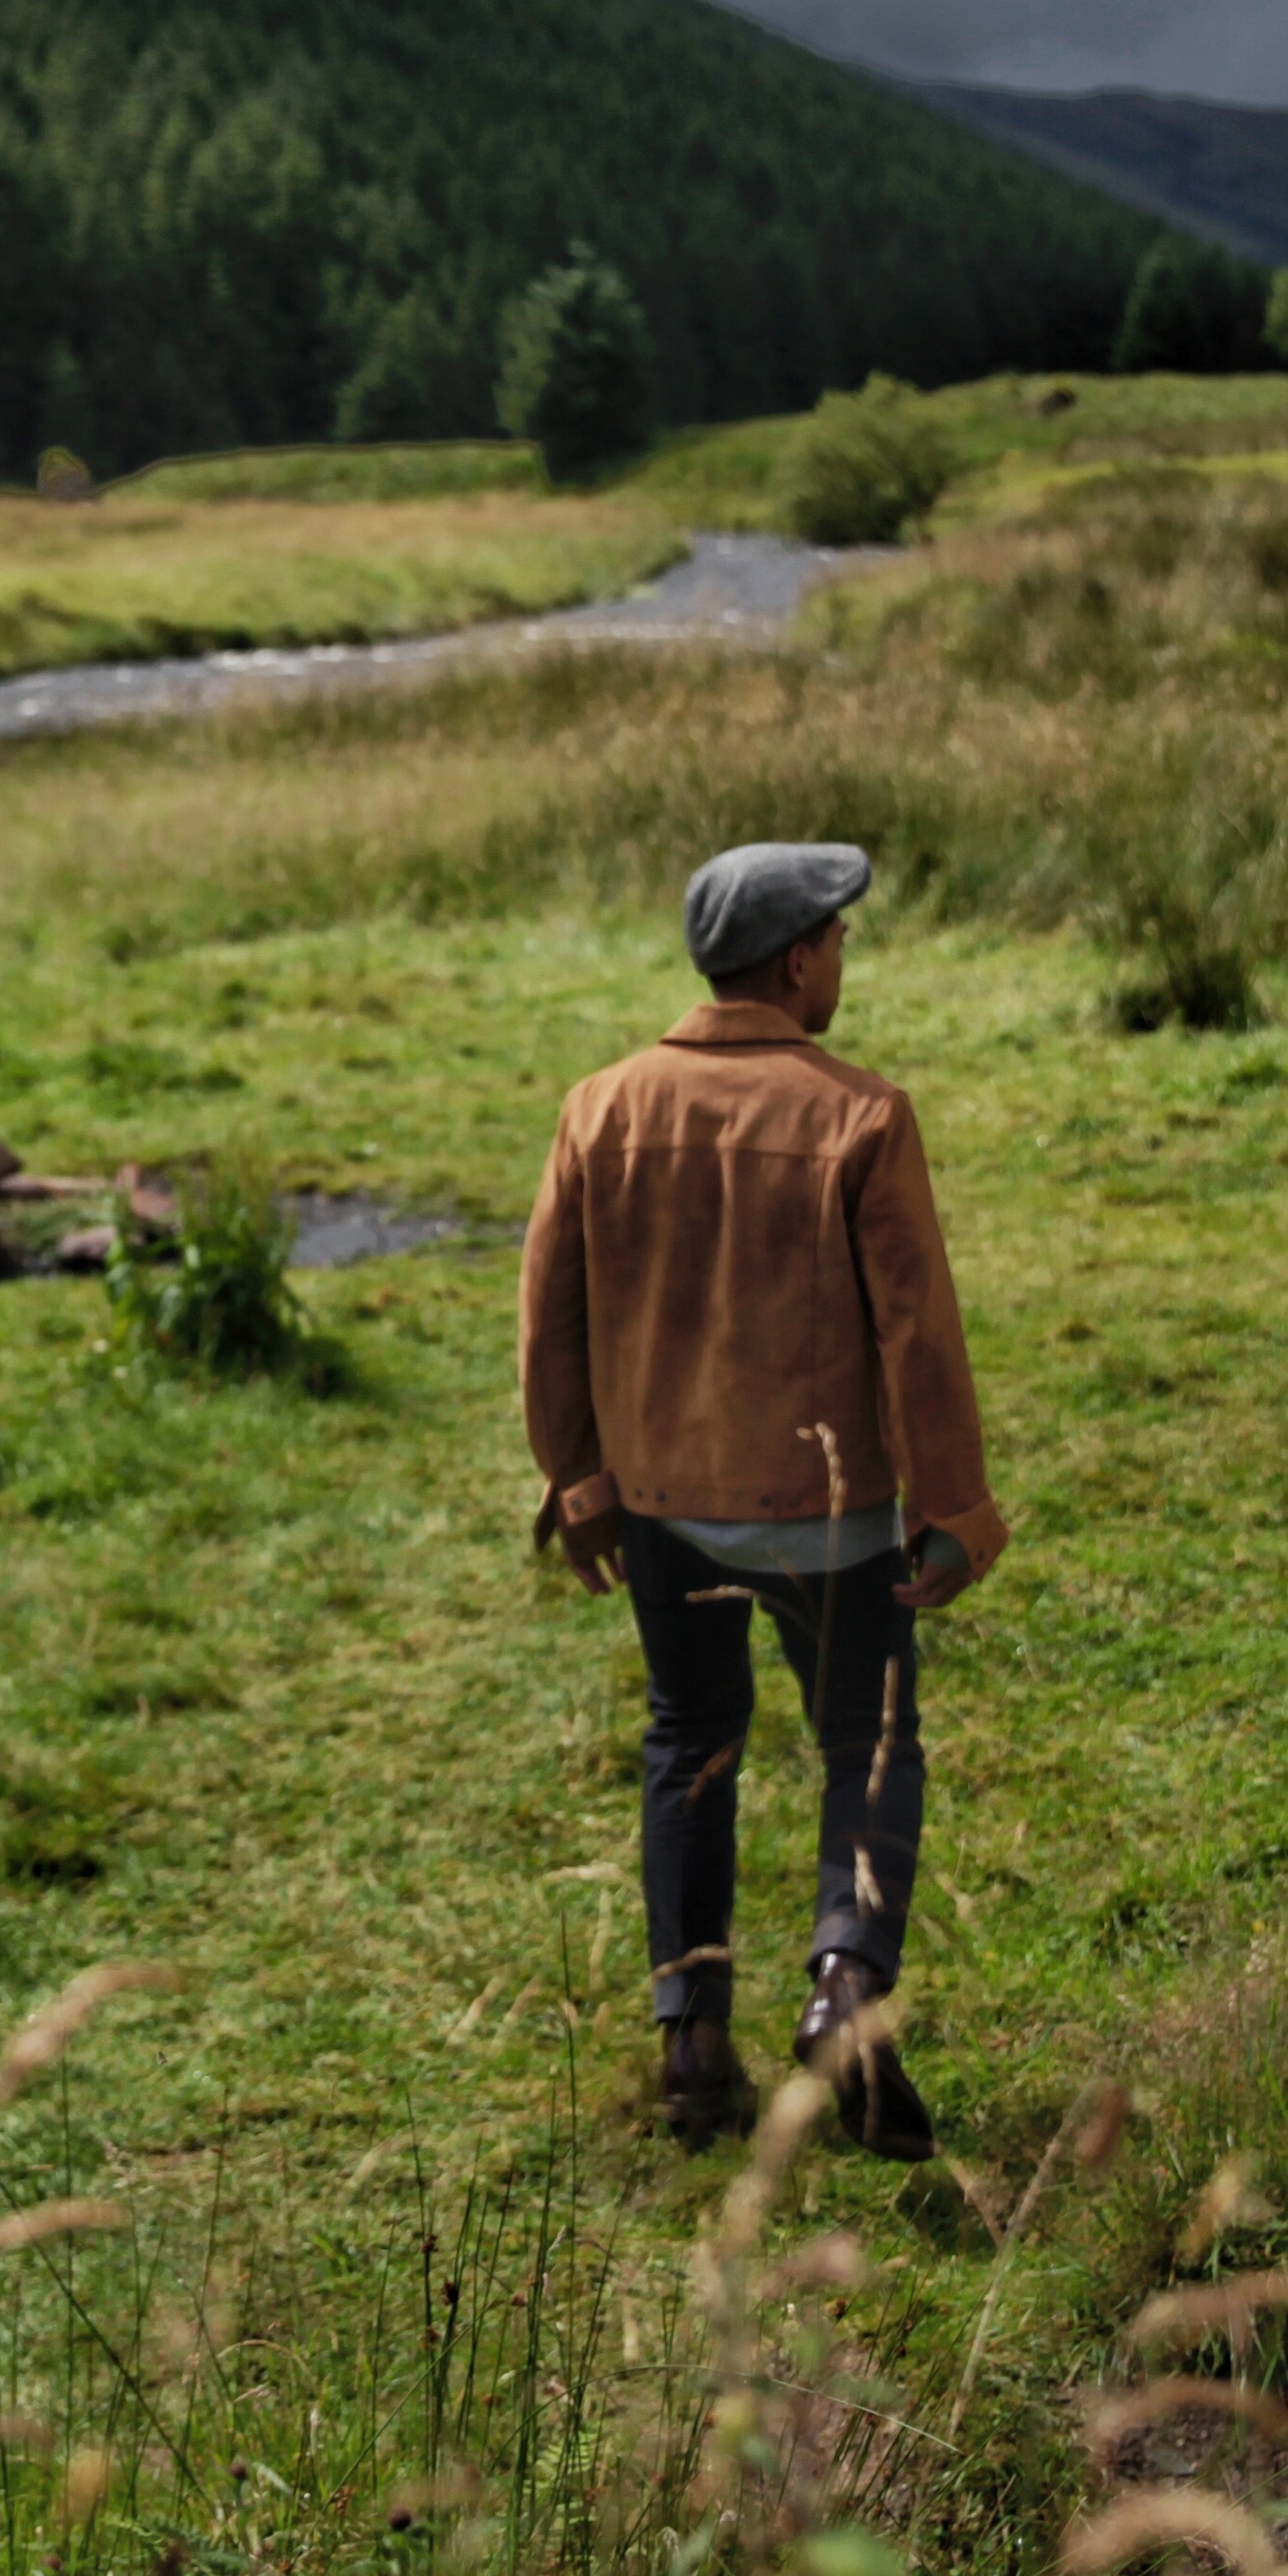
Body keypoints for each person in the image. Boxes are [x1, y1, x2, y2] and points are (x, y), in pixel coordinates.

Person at [519, 842, 1007, 2158]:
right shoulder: (862, 1116)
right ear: (797, 961)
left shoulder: (598, 1108)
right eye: (841, 942)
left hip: (668, 1507)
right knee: (868, 1740)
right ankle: (843, 1988)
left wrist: (576, 1476)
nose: (844, 961)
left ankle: (691, 2047)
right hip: (831, 1512)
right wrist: (954, 1502)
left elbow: (550, 1320)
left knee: (692, 1737)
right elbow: (917, 1332)